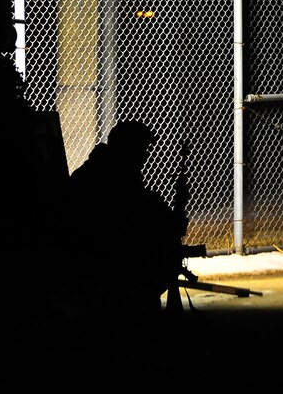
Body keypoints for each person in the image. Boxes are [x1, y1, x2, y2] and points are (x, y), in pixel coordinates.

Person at [60, 120, 188, 330]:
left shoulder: (106, 169)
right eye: (142, 149)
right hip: (102, 258)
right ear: (129, 148)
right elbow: (134, 215)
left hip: (100, 254)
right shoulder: (112, 177)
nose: (146, 156)